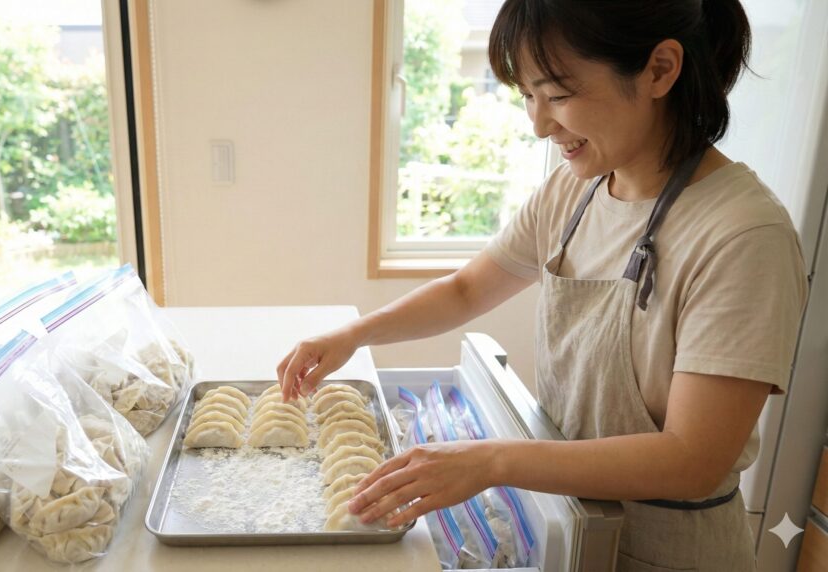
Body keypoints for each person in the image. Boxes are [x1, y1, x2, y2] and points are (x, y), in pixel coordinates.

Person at [277, 1, 808, 569]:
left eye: (557, 94)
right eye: (528, 95)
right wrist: (355, 334)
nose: (538, 124)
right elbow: (465, 291)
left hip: (669, 553)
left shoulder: (742, 235)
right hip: (568, 531)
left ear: (659, 69)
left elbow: (692, 458)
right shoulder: (572, 193)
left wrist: (491, 461)